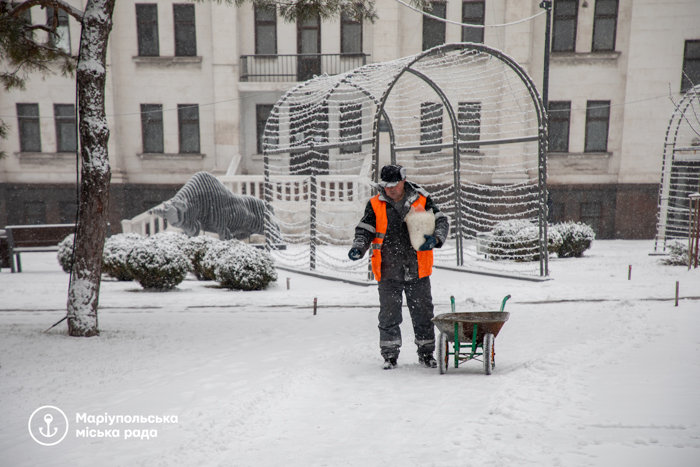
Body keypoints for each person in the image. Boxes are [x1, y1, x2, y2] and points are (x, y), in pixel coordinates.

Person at [348, 164, 449, 370]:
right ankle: (390, 355)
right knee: (389, 315)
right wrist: (359, 246)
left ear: (403, 181)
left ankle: (426, 353)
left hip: (417, 268)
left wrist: (437, 238)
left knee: (422, 313)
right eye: (385, 186)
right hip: (388, 269)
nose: (389, 189)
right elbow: (365, 229)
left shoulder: (421, 199)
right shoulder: (375, 204)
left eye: (393, 185)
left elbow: (440, 220)